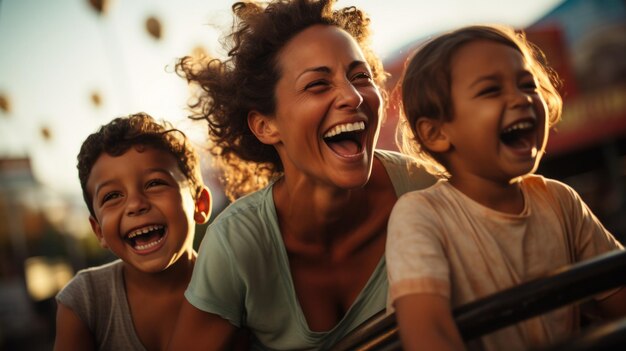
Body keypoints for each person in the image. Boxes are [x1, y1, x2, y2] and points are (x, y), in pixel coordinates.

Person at [168, 0, 435, 349]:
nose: (352, 96)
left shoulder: (424, 190)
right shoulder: (238, 244)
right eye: (318, 85)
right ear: (265, 125)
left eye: (360, 77)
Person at [386, 24, 626, 351]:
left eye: (527, 84)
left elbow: (617, 296)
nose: (521, 98)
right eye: (490, 90)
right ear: (437, 134)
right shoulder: (421, 216)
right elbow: (429, 332)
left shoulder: (559, 200)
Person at [54, 113, 212, 351]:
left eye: (154, 183)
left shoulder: (233, 285)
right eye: (112, 196)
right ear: (98, 231)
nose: (135, 204)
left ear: (200, 205)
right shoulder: (86, 301)